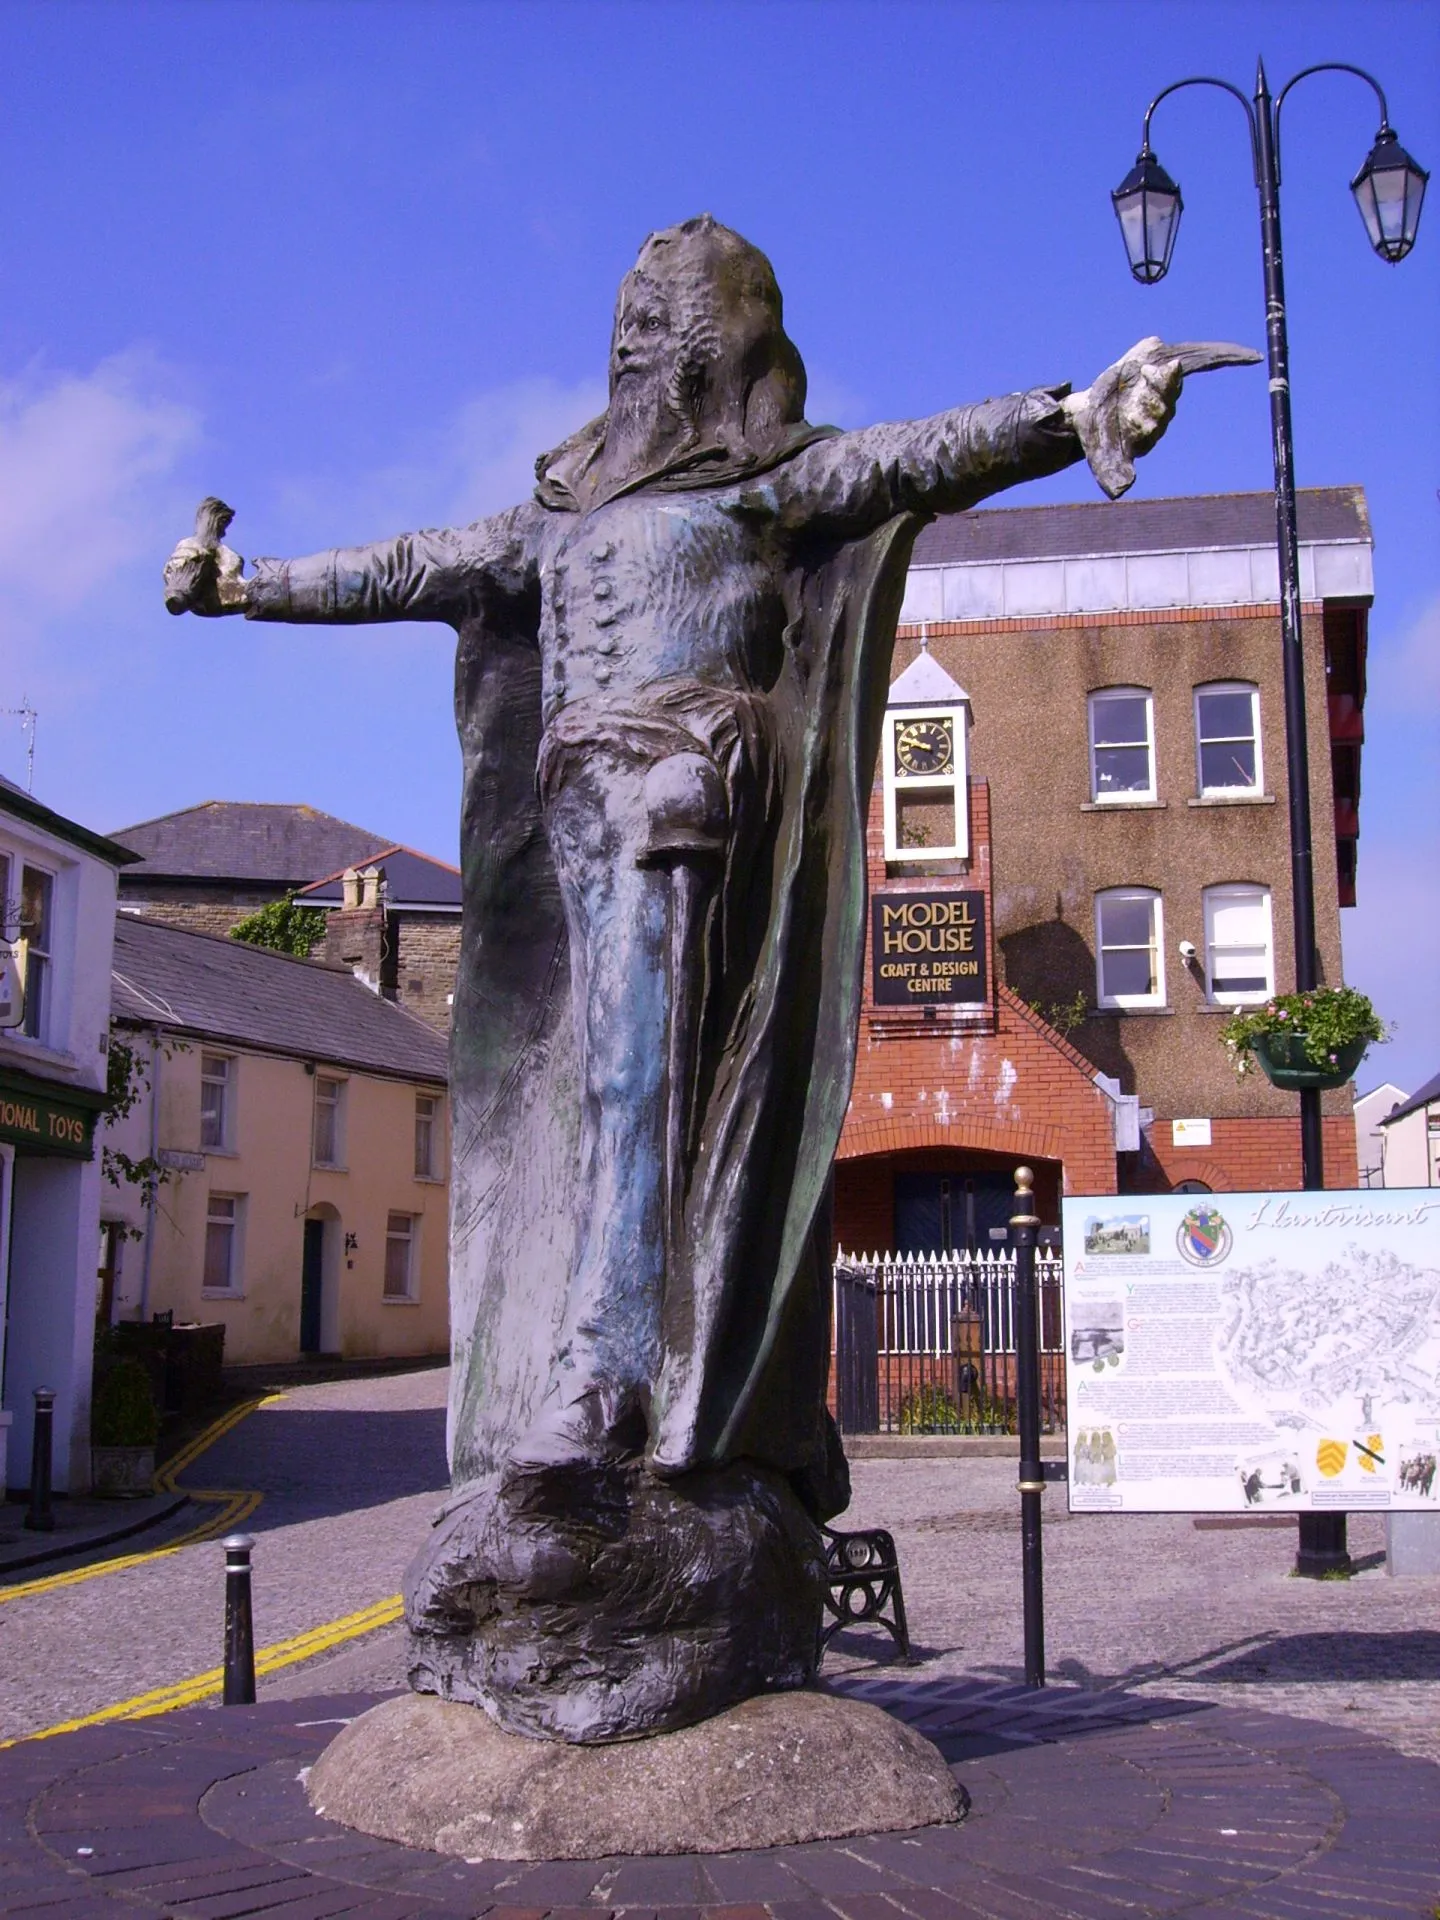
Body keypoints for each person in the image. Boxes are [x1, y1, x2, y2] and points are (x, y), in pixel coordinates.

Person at [165, 214, 1190, 1510]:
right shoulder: (550, 513)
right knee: (609, 1091)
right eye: (629, 316)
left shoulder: (764, 480)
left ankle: (610, 1374)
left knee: (639, 1087)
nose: (639, 333)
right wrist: (247, 584)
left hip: (684, 786)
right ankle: (708, 1380)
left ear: (716, 347)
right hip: (586, 803)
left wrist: (1071, 411)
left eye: (667, 318)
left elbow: (912, 458)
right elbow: (406, 565)